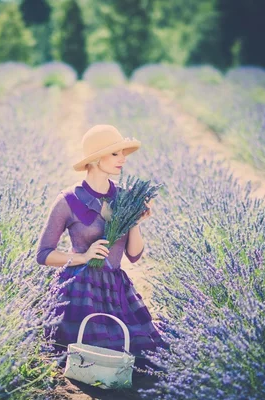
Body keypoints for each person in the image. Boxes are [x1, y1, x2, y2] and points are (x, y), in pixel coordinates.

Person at [35, 124, 167, 373]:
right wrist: (82, 256)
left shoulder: (126, 197)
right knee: (85, 358)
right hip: (80, 290)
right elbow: (43, 255)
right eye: (115, 154)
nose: (123, 159)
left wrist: (135, 222)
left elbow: (134, 255)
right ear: (95, 159)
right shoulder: (68, 200)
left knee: (140, 357)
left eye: (123, 153)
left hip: (116, 289)